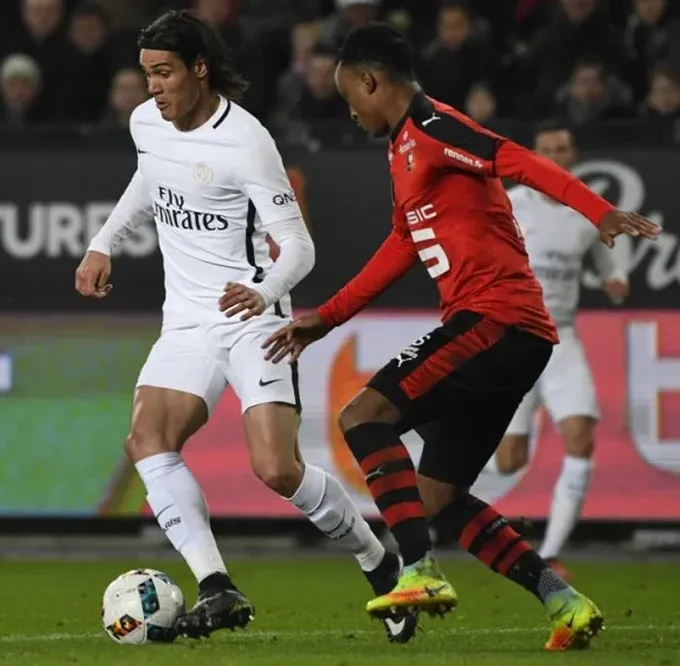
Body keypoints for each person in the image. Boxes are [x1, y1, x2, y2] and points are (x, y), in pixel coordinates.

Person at [263, 23, 660, 651]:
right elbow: (403, 245)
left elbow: (518, 160)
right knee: (438, 497)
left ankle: (417, 570)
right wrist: (327, 317)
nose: (350, 111)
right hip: (512, 334)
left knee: (364, 416)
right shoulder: (401, 151)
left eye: (350, 98)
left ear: (371, 81)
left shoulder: (433, 127)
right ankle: (565, 603)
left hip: (495, 321)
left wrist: (596, 210)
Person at [75, 10, 417, 643]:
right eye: (147, 73)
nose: (153, 87)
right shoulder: (145, 122)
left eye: (165, 73)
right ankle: (216, 586)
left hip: (253, 319)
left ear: (198, 69)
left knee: (277, 470)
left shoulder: (247, 140)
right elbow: (148, 178)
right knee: (147, 438)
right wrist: (103, 242)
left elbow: (300, 247)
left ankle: (381, 564)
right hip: (186, 322)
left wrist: (263, 293)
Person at [492, 121, 629, 579]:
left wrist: (614, 279)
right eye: (546, 148)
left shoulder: (587, 211)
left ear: (573, 155)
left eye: (562, 148)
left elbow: (607, 259)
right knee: (507, 461)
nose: (554, 155)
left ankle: (548, 555)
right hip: (515, 339)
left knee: (581, 436)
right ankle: (433, 515)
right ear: (533, 154)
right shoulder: (511, 204)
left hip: (562, 338)